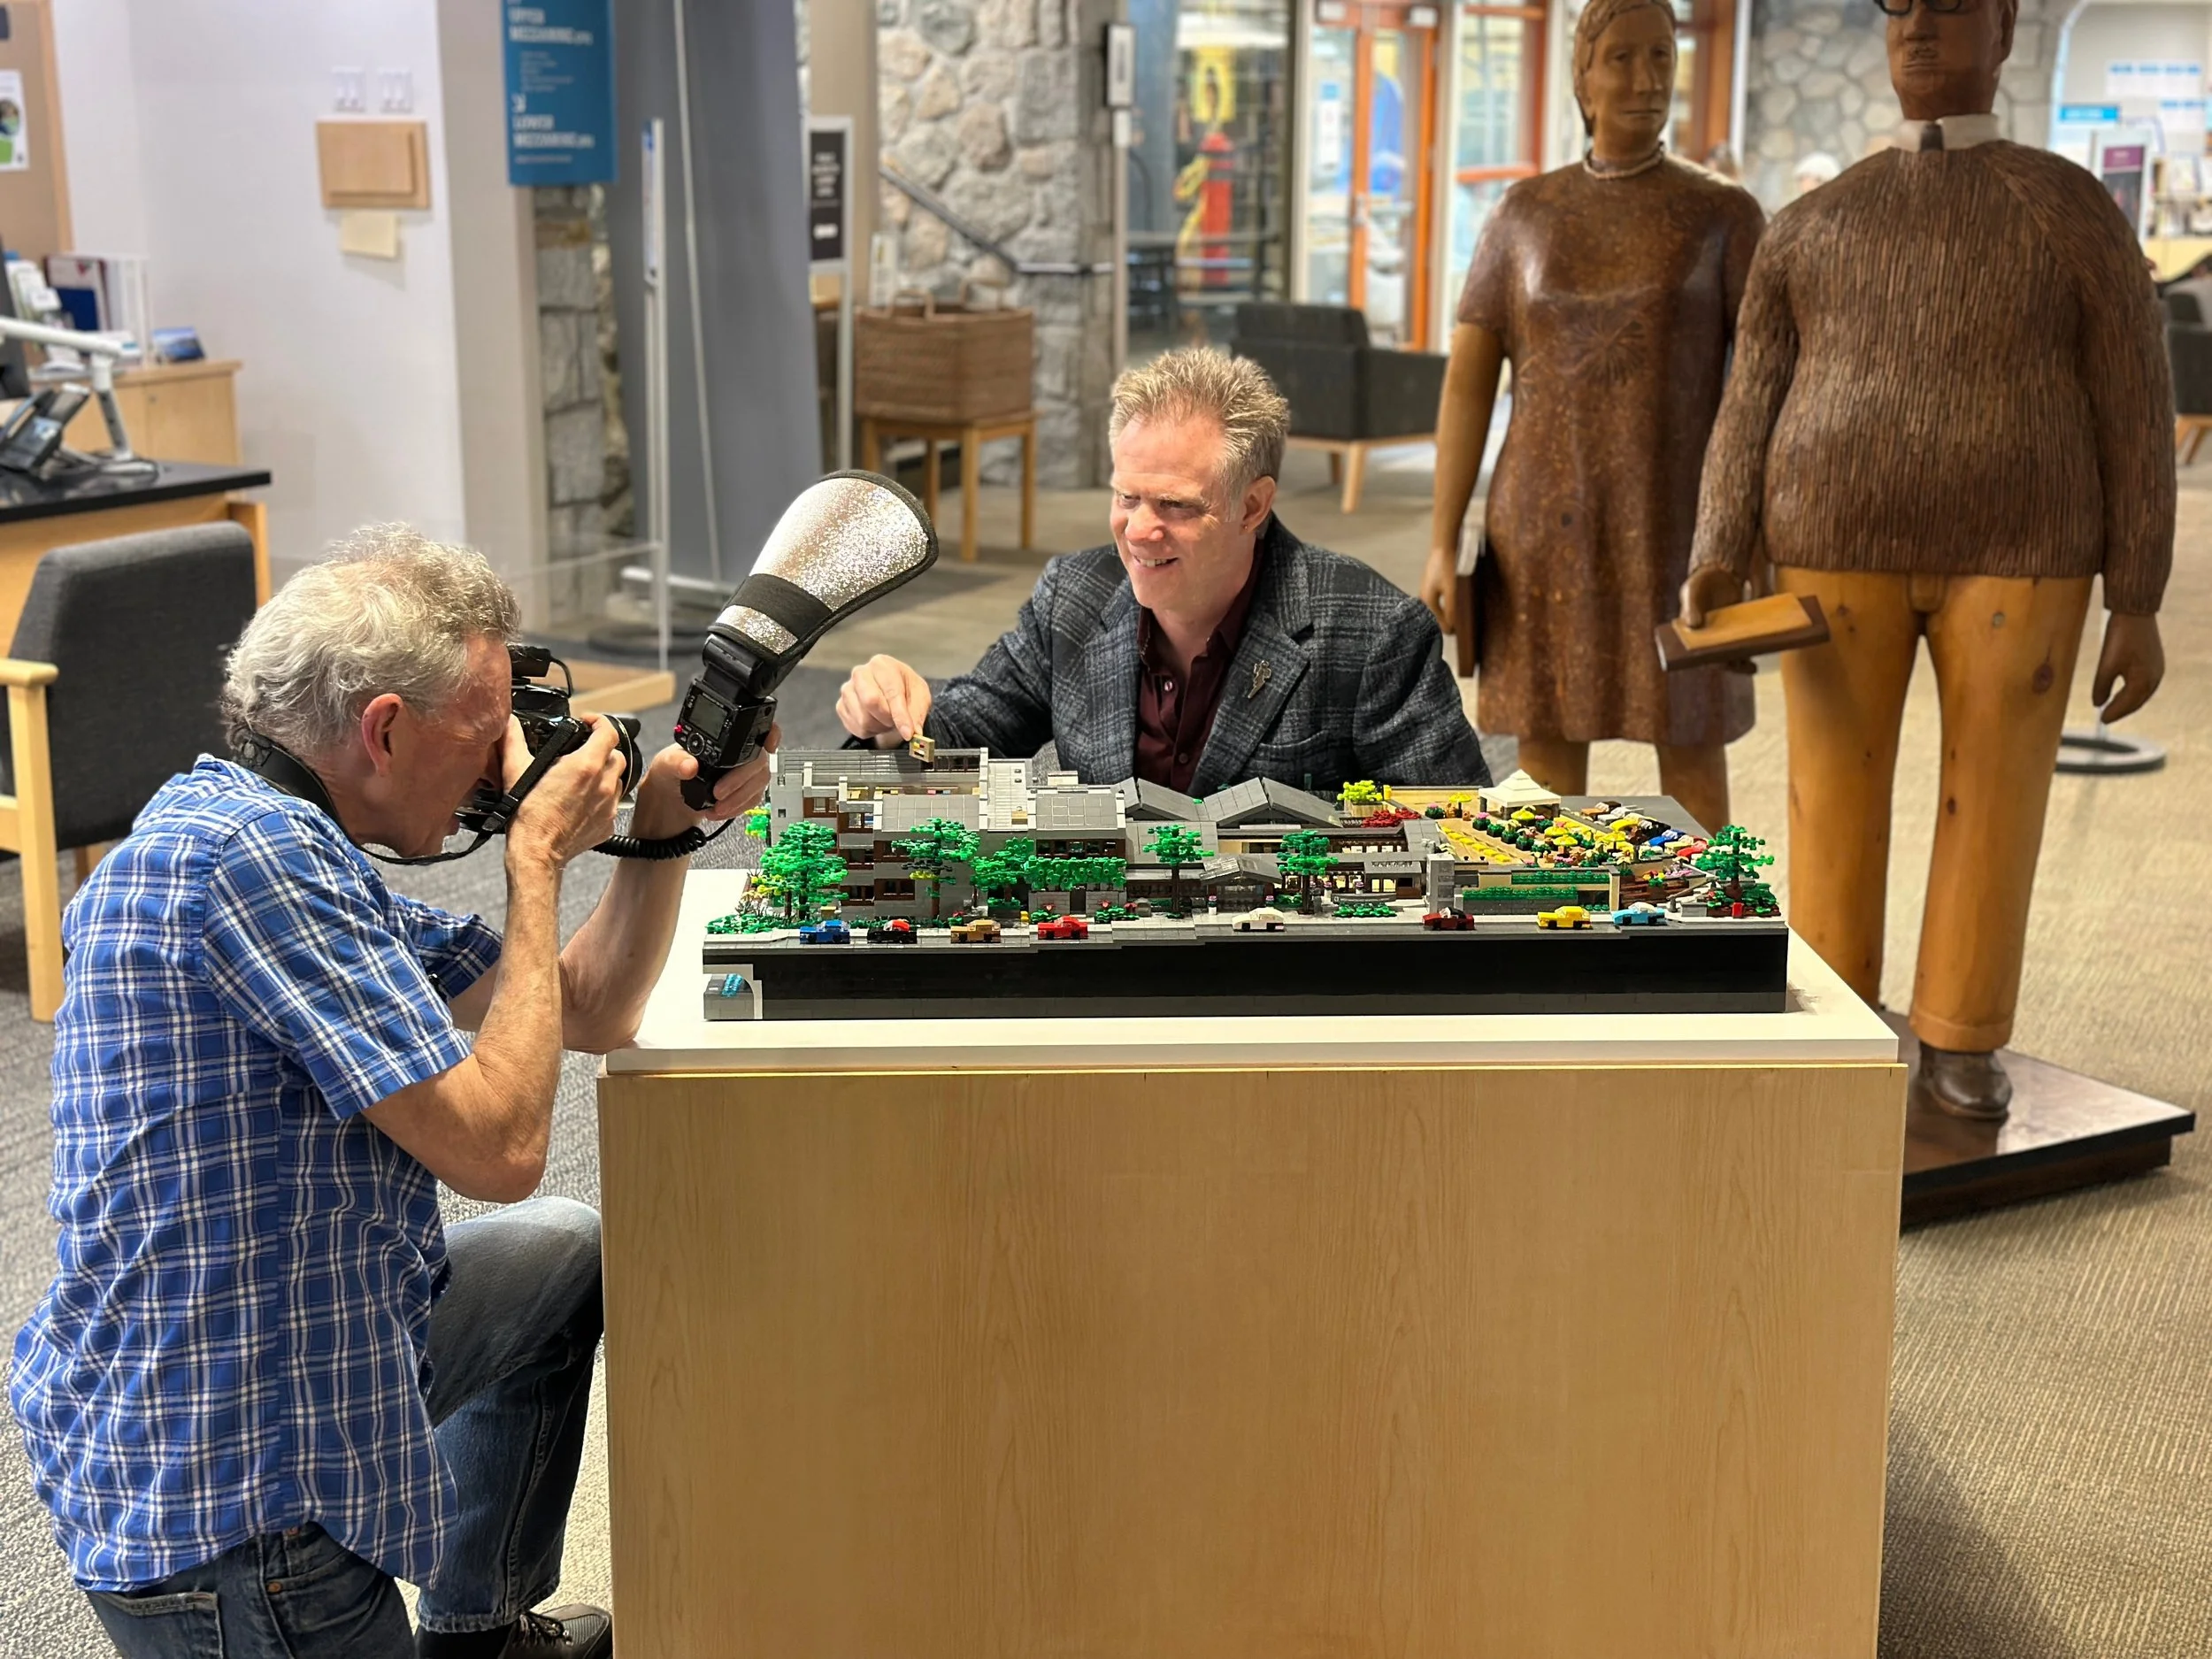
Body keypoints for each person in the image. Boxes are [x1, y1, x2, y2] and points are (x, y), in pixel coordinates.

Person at [9, 526, 775, 1659]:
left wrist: (659, 835)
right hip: (235, 1507)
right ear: (381, 728)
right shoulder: (248, 863)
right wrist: (533, 862)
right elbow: (502, 1145)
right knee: (533, 1197)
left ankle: (480, 1626)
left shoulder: (289, 842)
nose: (500, 766)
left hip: (303, 1342)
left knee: (557, 1253)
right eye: (483, 737)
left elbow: (585, 1006)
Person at [1680, 0, 2170, 1118]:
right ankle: (1838, 1012)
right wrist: (1719, 546)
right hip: (1826, 541)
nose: (1917, 32)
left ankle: (1961, 1031)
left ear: (2000, 29)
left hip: (2026, 544)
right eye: (1899, 8)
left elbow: (2136, 402)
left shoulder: (2069, 210)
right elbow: (1746, 398)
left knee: (1995, 792)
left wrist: (2135, 595)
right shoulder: (1811, 223)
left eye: (1948, 10)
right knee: (1829, 791)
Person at [838, 348, 1487, 795]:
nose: (1139, 530)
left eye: (1176, 505)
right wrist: (893, 717)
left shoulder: (1374, 631)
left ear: (1253, 505)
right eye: (1126, 497)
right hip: (1103, 961)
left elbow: (1457, 825)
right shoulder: (1073, 598)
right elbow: (956, 742)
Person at [1419, 0, 1764, 833]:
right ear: (1582, 75)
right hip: (1542, 522)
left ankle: (1704, 934)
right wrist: (1442, 536)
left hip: (1676, 521)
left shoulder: (1724, 216)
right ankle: (1547, 935)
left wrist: (1755, 537)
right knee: (1545, 765)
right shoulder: (1522, 215)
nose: (1645, 81)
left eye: (1660, 57)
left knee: (1690, 744)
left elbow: (1764, 388)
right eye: (1620, 59)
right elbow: (1469, 384)